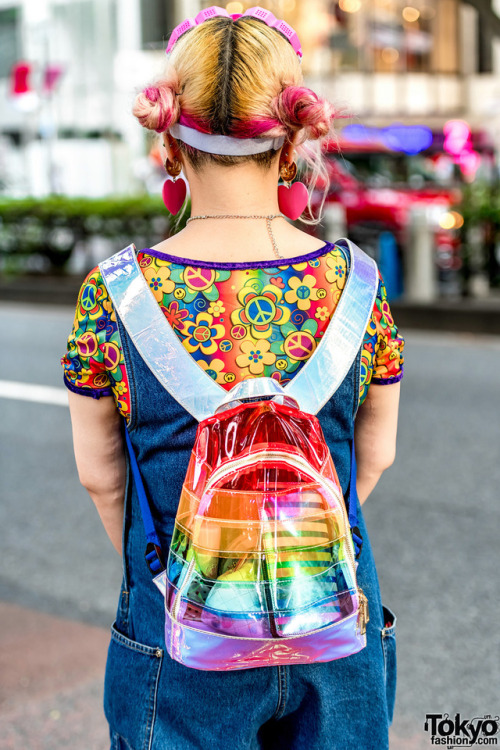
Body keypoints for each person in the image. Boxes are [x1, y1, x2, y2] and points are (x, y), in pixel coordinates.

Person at [62, 8, 404, 750]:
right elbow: (375, 456)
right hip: (334, 627)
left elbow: (102, 481)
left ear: (170, 144)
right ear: (291, 142)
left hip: (182, 630)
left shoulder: (114, 294)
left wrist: (198, 566)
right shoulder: (359, 286)